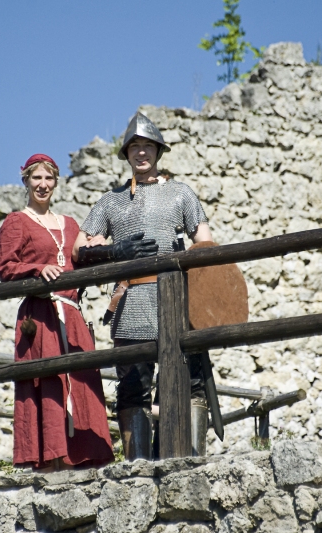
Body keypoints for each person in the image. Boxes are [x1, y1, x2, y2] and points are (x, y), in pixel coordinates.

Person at [72, 112, 213, 460]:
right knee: (133, 387)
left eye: (147, 145)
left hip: (177, 299)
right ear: (127, 154)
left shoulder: (181, 194)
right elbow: (79, 248)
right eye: (134, 146)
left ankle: (187, 458)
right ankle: (138, 468)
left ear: (158, 151)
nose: (141, 152)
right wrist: (113, 250)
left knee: (190, 384)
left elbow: (206, 242)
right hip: (132, 300)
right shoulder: (111, 201)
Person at [0, 153, 114, 470]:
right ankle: (49, 461)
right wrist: (38, 268)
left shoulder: (71, 224)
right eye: (36, 178)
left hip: (72, 316)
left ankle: (84, 460)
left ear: (56, 183)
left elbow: (85, 254)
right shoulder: (16, 222)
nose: (43, 184)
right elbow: (6, 269)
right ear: (26, 181)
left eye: (48, 178)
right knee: (47, 384)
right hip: (41, 316)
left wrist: (104, 245)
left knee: (82, 380)